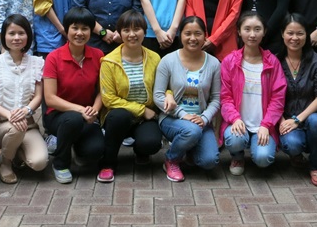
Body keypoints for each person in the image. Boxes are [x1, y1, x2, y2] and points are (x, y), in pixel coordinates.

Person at [97, 10, 163, 182]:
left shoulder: (155, 58)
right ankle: (108, 163)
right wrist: (141, 109)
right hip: (119, 116)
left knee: (152, 143)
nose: (132, 34)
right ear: (119, 33)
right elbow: (108, 99)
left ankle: (141, 151)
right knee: (120, 116)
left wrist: (169, 95)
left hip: (145, 118)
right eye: (126, 30)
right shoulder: (109, 61)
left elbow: (164, 87)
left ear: (144, 31)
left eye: (137, 29)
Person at [153, 16, 221, 182]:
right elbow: (158, 96)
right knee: (191, 131)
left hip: (200, 122)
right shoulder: (168, 61)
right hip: (172, 118)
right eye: (187, 33)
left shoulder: (213, 63)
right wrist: (183, 114)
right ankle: (171, 159)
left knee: (209, 161)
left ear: (205, 36)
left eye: (197, 33)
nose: (193, 38)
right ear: (180, 36)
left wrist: (204, 118)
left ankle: (188, 148)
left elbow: (216, 98)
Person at [43, 7, 105, 184]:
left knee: (95, 151)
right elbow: (50, 98)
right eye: (75, 28)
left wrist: (94, 110)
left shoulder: (98, 55)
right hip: (58, 116)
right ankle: (61, 163)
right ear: (67, 29)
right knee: (73, 120)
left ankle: (72, 144)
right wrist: (81, 110)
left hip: (87, 116)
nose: (80, 33)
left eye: (85, 28)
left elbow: (102, 91)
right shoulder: (53, 58)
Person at [220, 12, 287, 176]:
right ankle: (237, 156)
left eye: (257, 29)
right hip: (238, 122)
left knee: (263, 159)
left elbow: (278, 99)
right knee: (234, 140)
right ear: (239, 31)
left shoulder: (272, 62)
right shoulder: (230, 61)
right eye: (247, 29)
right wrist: (234, 118)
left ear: (264, 32)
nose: (252, 34)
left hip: (263, 124)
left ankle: (257, 145)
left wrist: (266, 125)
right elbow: (225, 97)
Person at [0, 15, 48, 184]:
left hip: (28, 124)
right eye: (12, 33)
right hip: (1, 126)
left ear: (28, 36)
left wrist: (26, 111)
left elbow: (39, 96)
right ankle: (5, 164)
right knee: (16, 128)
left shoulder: (36, 62)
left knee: (39, 163)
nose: (17, 38)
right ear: (4, 36)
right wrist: (10, 115)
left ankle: (17, 151)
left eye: (21, 33)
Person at [276, 13, 317, 187]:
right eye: (290, 33)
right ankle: (296, 154)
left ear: (307, 35)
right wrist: (281, 119)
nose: (295, 38)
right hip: (286, 119)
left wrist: (297, 119)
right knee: (292, 144)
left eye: (300, 33)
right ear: (282, 34)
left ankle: (315, 165)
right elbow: (270, 97)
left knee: (316, 121)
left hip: (315, 117)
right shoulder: (275, 61)